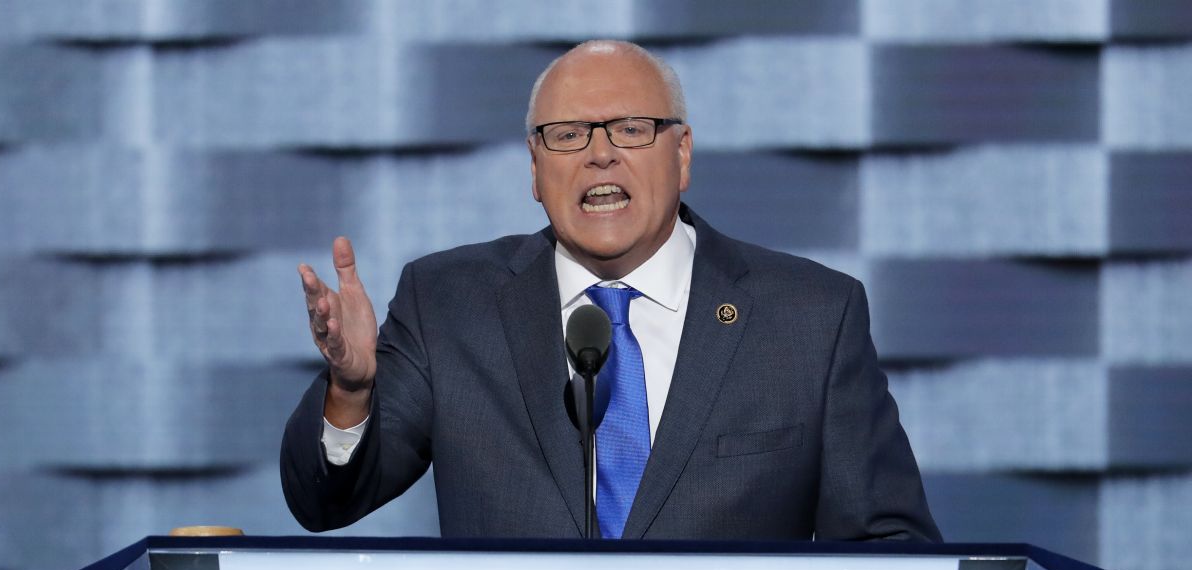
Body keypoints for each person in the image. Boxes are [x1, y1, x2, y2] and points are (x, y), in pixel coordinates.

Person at [281, 40, 941, 542]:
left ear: (681, 156)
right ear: (535, 172)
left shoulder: (810, 319)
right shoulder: (451, 304)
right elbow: (325, 502)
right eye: (567, 136)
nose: (600, 154)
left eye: (631, 129)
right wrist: (352, 390)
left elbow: (891, 550)